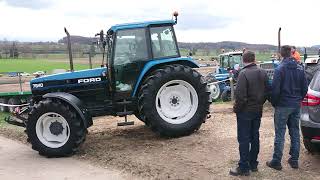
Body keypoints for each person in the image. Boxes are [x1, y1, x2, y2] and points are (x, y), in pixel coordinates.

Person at [266, 45, 308, 170]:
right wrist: (298, 100)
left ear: (281, 54)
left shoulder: (280, 69)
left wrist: (275, 103)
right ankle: (294, 160)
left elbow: (275, 90)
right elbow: (305, 88)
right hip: (295, 105)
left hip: (283, 105)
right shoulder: (300, 68)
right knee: (295, 132)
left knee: (280, 133)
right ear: (291, 53)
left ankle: (276, 161)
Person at [230, 51, 270, 176]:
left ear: (243, 60)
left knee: (244, 139)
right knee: (254, 137)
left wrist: (236, 109)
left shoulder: (243, 73)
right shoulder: (263, 72)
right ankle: (253, 164)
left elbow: (240, 96)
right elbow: (267, 91)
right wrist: (260, 103)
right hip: (257, 110)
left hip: (245, 111)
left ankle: (243, 167)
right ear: (254, 59)